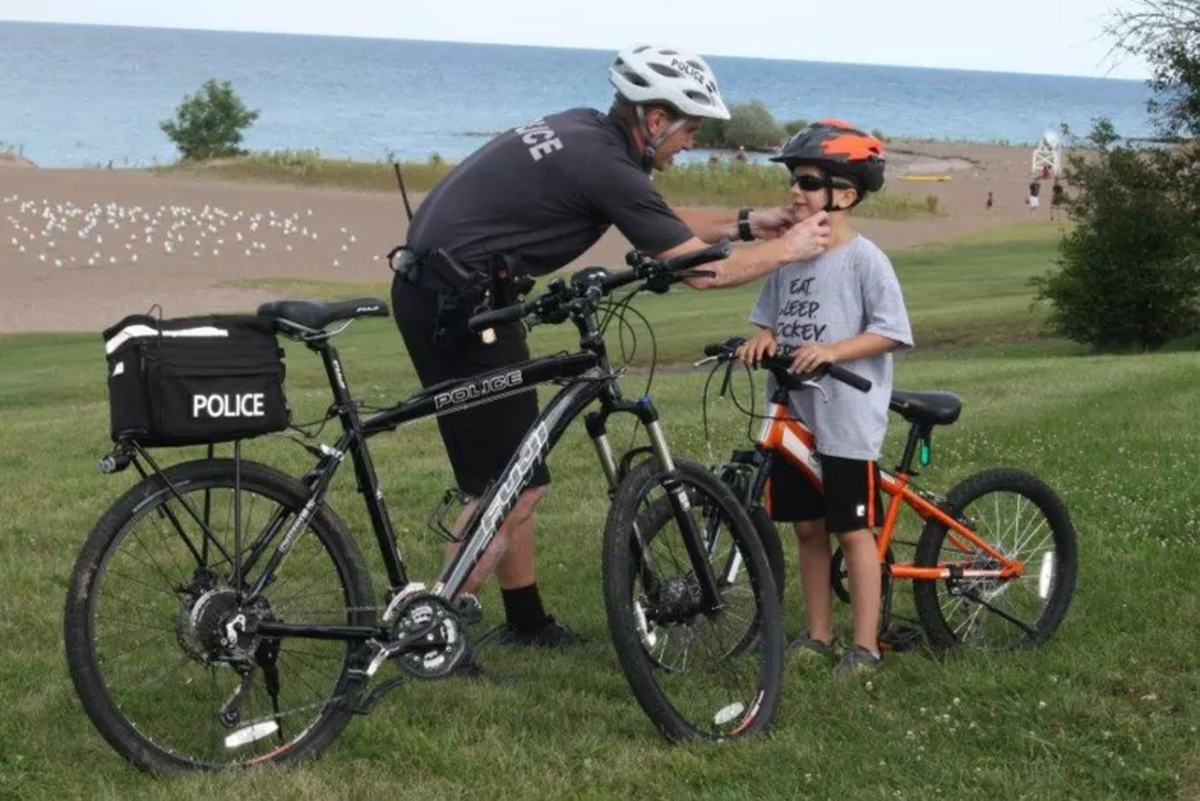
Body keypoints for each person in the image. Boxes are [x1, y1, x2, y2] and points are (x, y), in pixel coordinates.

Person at [390, 44, 832, 650]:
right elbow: (697, 272)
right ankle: (434, 629)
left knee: (516, 469)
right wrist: (791, 248)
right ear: (655, 119)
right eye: (688, 130)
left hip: (462, 295)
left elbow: (659, 221)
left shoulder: (585, 132)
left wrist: (750, 224)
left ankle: (525, 621)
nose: (690, 144)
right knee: (512, 486)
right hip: (460, 309)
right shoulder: (604, 164)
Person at [736, 119, 913, 675]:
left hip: (845, 419)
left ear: (845, 194)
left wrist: (833, 350)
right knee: (808, 529)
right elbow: (770, 321)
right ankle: (818, 635)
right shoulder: (789, 256)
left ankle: (865, 647)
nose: (795, 191)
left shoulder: (865, 260)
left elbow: (891, 330)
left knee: (851, 528)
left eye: (808, 181)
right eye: (793, 180)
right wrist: (763, 337)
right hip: (794, 411)